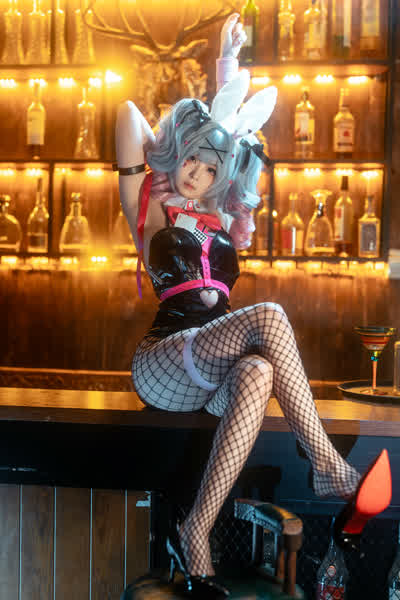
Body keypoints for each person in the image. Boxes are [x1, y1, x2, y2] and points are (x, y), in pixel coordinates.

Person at [115, 13, 392, 598]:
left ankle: (196, 530)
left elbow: (228, 149)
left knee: (260, 370)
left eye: (211, 167)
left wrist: (228, 94)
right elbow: (127, 115)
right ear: (176, 152)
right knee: (270, 317)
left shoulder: (219, 219)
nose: (197, 174)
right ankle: (326, 464)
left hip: (213, 367)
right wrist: (204, 98)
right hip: (165, 359)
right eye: (191, 159)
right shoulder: (151, 209)